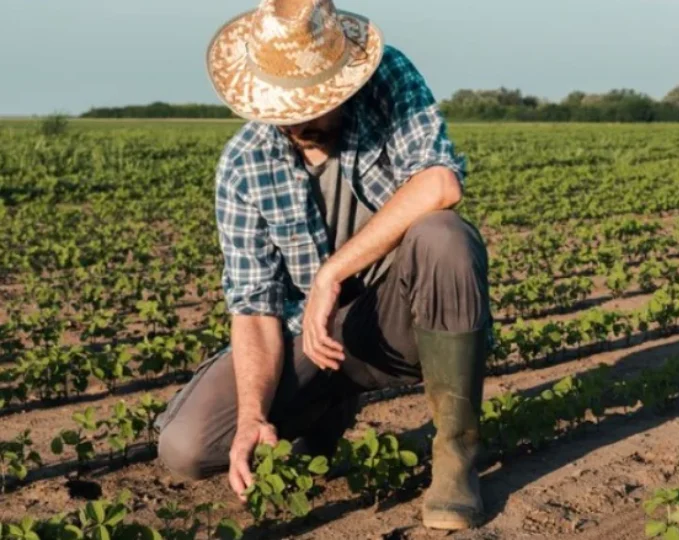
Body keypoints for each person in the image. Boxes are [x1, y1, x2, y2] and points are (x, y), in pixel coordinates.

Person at [154, 0, 491, 531]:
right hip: (309, 341)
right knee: (188, 445)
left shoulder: (387, 83)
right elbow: (255, 308)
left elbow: (440, 183)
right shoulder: (243, 165)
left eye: (313, 101)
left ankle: (456, 458)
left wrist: (331, 272)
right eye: (286, 107)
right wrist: (251, 416)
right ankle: (322, 412)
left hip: (394, 322)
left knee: (445, 235)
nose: (301, 119)